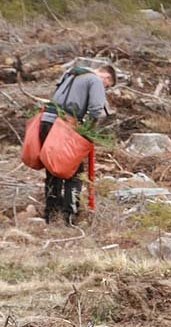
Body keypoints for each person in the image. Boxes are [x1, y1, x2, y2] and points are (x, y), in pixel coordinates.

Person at [40, 64, 115, 225]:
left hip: (46, 121)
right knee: (74, 172)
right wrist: (88, 131)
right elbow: (96, 109)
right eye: (106, 87)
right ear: (106, 77)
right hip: (66, 125)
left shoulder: (70, 73)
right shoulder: (95, 80)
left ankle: (51, 214)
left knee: (53, 168)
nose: (105, 89)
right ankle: (69, 217)